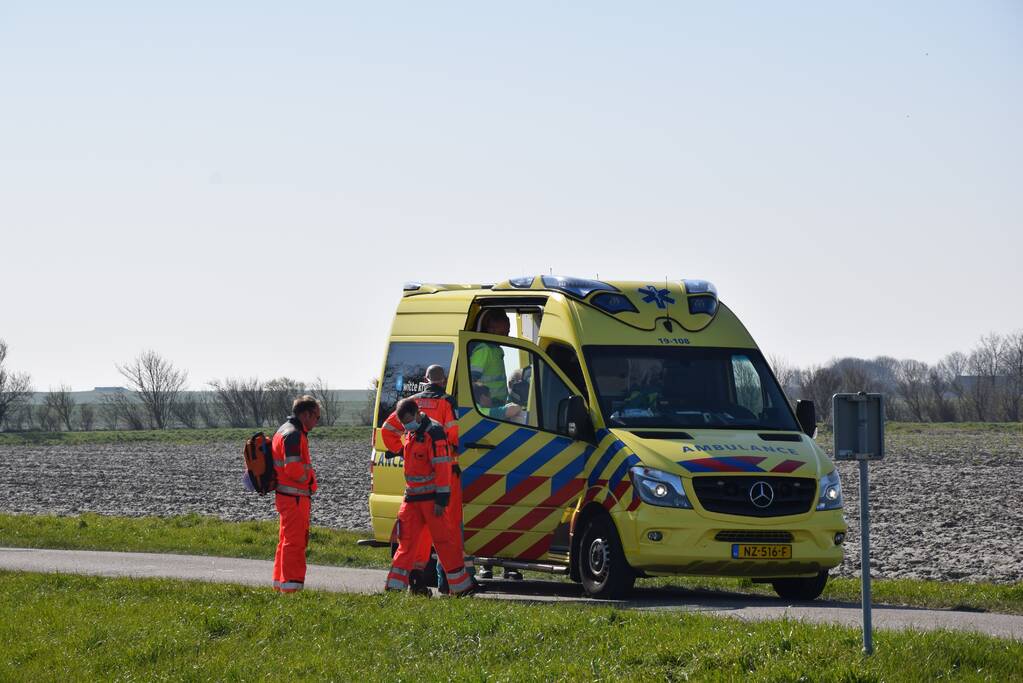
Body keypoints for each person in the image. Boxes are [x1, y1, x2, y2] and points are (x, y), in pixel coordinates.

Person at [384, 398, 476, 597]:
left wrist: (441, 500)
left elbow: (443, 468)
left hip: (432, 500)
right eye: (404, 423)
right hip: (412, 499)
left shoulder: (434, 433)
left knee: (444, 543)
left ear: (418, 413)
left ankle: (461, 588)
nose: (407, 425)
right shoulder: (412, 431)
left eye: (409, 420)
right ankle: (393, 589)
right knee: (406, 543)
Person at [271, 396, 320, 593]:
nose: (317, 421)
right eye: (316, 417)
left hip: (286, 496)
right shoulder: (294, 434)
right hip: (295, 498)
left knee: (285, 541)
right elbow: (293, 469)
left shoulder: (283, 430)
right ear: (306, 414)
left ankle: (280, 584)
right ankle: (291, 588)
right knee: (295, 543)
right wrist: (309, 480)